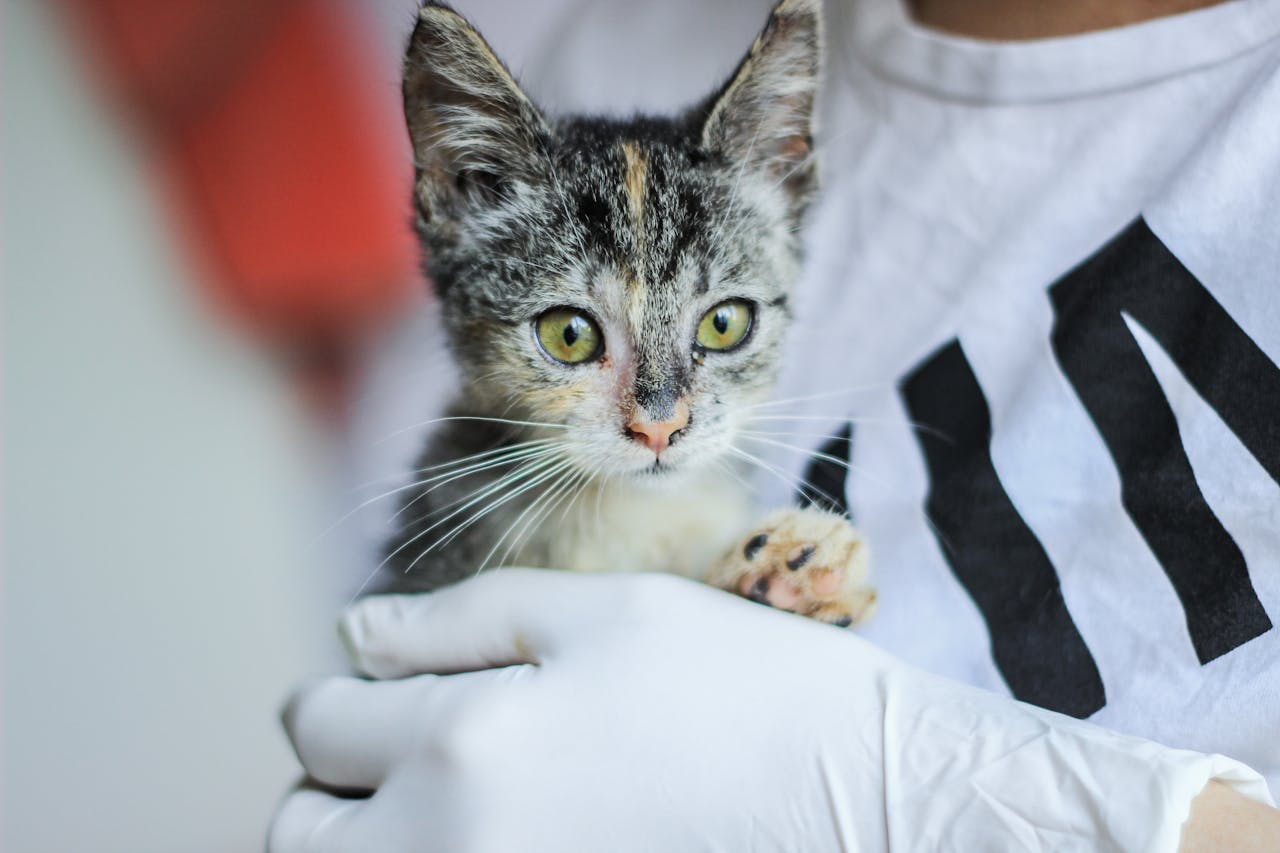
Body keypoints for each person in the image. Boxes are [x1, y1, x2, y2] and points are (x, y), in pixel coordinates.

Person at [270, 0, 1280, 849]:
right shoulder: (623, 38)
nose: (659, 415)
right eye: (575, 338)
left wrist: (933, 800)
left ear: (790, 173)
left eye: (721, 324)